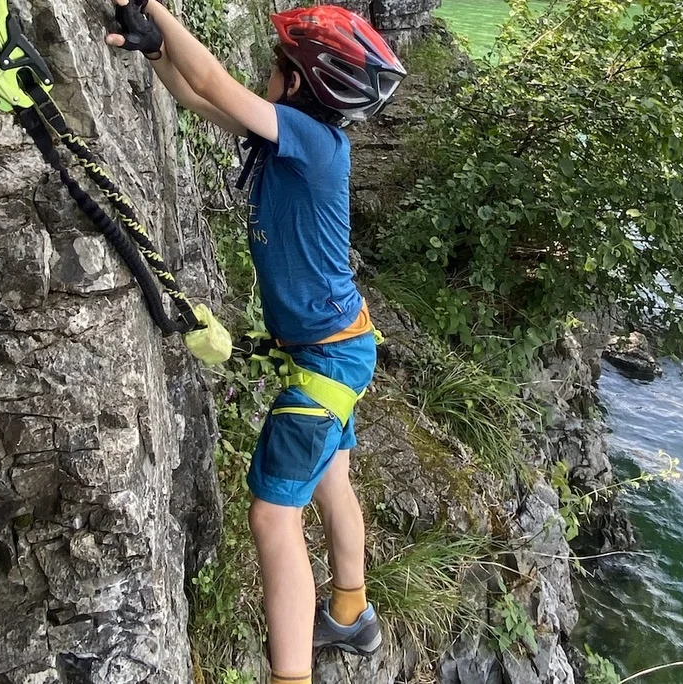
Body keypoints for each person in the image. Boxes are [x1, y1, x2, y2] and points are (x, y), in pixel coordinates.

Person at [105, 2, 405, 683]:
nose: (262, 76)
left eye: (275, 68)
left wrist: (155, 8)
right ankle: (352, 615)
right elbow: (192, 94)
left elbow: (211, 83)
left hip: (328, 358)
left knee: (274, 516)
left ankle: (291, 675)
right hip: (337, 348)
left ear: (299, 85)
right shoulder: (289, 141)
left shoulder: (312, 143)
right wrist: (157, 51)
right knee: (332, 476)